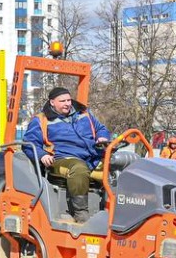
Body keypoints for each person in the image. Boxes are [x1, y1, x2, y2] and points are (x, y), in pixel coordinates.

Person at [24, 86, 112, 223]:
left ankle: (113, 209)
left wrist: (102, 137)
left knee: (119, 166)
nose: (67, 104)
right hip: (62, 158)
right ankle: (80, 212)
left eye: (69, 100)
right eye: (62, 101)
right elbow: (29, 142)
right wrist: (42, 155)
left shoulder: (84, 114)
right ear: (52, 102)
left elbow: (101, 129)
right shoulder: (41, 120)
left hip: (92, 156)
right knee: (78, 168)